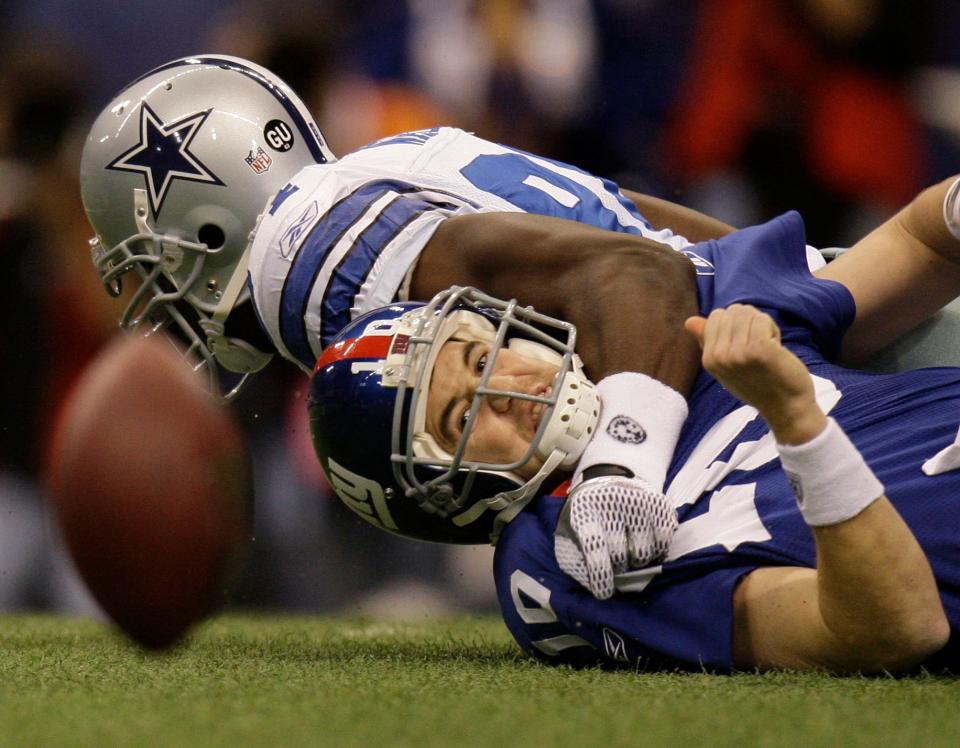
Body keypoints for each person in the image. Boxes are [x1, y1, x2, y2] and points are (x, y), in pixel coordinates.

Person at [79, 54, 742, 591]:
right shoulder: (378, 163)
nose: (167, 291)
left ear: (208, 222)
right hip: (723, 343)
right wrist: (789, 280)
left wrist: (619, 465)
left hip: (715, 394)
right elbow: (656, 234)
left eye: (157, 260)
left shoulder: (307, 268)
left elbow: (639, 271)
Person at [308, 175, 960, 674]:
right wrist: (798, 424)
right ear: (442, 496)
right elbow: (895, 627)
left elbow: (921, 239)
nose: (503, 388)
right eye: (460, 416)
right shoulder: (558, 557)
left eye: (481, 358)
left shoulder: (678, 341)